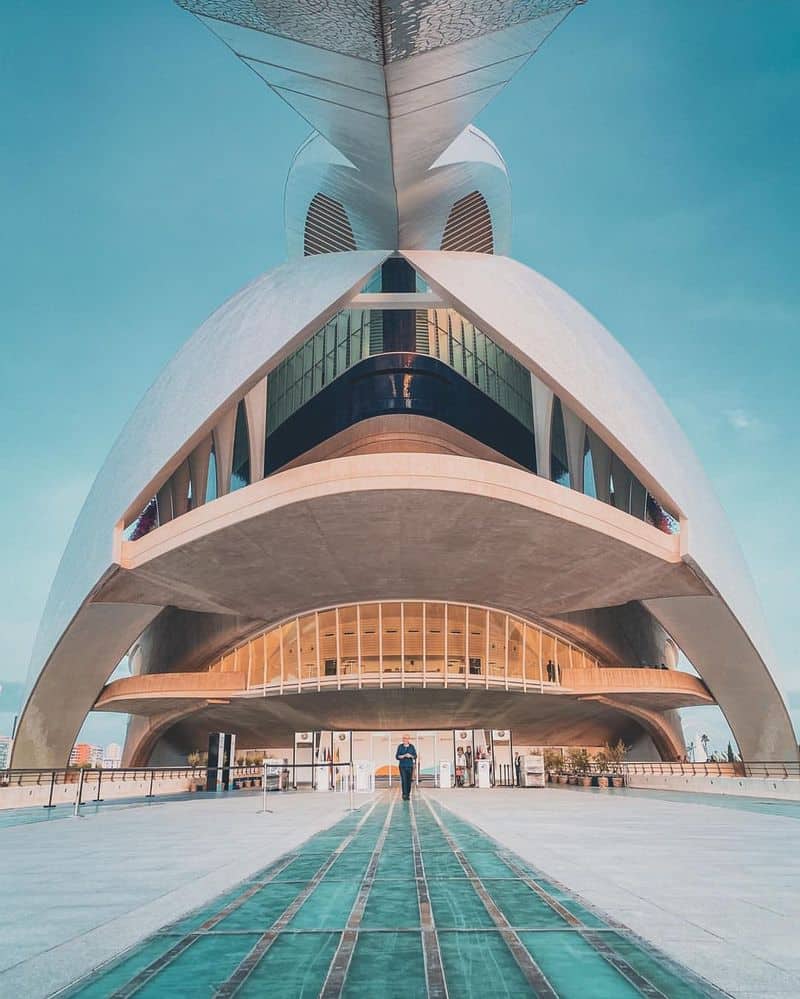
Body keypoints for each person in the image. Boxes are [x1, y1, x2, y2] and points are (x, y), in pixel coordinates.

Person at [395, 734, 417, 800]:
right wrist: (404, 755)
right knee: (404, 780)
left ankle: (408, 794)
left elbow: (415, 756)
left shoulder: (412, 747)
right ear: (403, 739)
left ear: (408, 739)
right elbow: (397, 756)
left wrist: (410, 756)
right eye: (404, 738)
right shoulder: (400, 746)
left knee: (409, 781)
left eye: (407, 738)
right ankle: (404, 794)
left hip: (410, 766)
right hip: (402, 766)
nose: (405, 739)